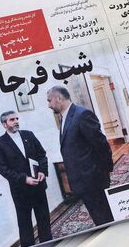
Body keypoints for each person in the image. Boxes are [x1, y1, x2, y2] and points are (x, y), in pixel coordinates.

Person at [47, 86, 115, 226]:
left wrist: (105, 170)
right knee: (98, 216)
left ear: (59, 98)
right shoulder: (65, 117)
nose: (49, 105)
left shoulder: (82, 114)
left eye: (50, 100)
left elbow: (101, 144)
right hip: (83, 180)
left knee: (104, 216)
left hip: (93, 178)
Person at [0, 111, 53, 247]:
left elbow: (42, 155)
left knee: (44, 219)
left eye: (16, 118)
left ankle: (48, 245)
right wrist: (24, 179)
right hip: (20, 191)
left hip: (38, 187)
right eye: (12, 120)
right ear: (4, 124)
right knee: (24, 223)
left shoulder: (29, 135)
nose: (16, 121)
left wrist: (43, 171)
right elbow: (3, 169)